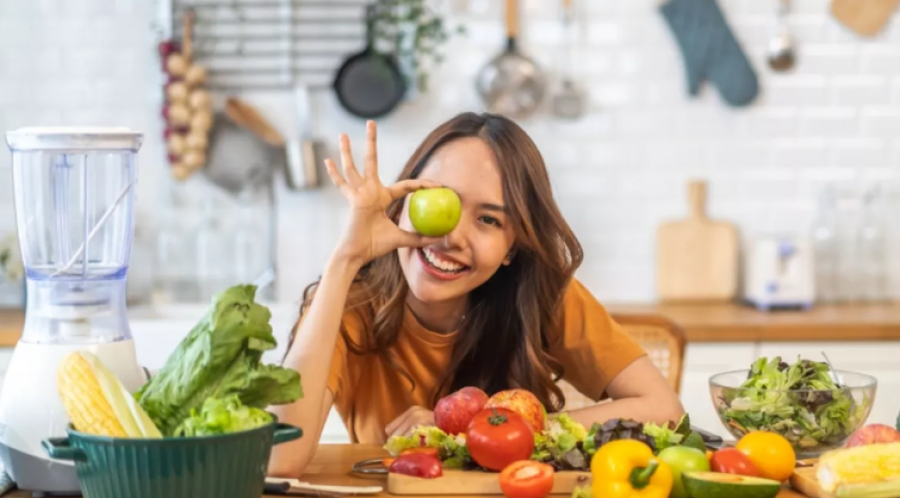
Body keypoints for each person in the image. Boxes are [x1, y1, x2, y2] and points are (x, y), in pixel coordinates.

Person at [268, 112, 684, 478]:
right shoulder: (349, 302)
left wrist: (471, 431)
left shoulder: (543, 294)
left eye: (488, 219)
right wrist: (346, 258)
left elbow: (665, 410)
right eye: (440, 199)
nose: (451, 237)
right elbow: (276, 460)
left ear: (512, 248)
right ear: (403, 199)